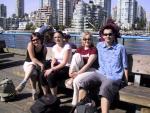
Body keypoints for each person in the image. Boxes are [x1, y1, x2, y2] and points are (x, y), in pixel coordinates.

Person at [77, 24, 128, 113]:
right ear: (102, 36)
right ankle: (80, 110)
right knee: (83, 83)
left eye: (110, 34)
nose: (107, 36)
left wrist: (126, 82)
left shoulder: (121, 48)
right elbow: (87, 48)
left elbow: (125, 66)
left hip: (113, 76)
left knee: (104, 89)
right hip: (100, 73)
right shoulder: (99, 45)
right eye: (105, 34)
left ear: (114, 35)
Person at [67, 32, 98, 106]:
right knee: (76, 55)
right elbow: (74, 62)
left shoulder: (93, 49)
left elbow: (88, 65)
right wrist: (71, 72)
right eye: (84, 39)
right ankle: (72, 75)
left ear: (91, 40)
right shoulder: (79, 49)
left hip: (91, 70)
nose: (87, 41)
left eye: (89, 39)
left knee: (76, 81)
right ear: (82, 40)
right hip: (80, 70)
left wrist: (77, 74)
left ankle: (75, 104)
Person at [15, 32, 47, 100]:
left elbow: (43, 59)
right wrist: (41, 64)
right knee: (33, 70)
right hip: (28, 64)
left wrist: (41, 64)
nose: (35, 41)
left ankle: (31, 89)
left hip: (37, 65)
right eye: (33, 40)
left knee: (34, 70)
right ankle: (25, 83)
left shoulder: (44, 48)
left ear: (41, 39)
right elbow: (32, 58)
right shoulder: (30, 45)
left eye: (37, 39)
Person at [40, 31, 72, 96]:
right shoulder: (54, 47)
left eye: (59, 37)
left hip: (67, 68)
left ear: (63, 37)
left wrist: (52, 70)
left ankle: (54, 98)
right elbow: (53, 59)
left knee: (51, 76)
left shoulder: (67, 47)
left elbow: (64, 63)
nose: (57, 39)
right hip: (57, 67)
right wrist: (52, 68)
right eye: (55, 37)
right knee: (42, 75)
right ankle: (46, 96)